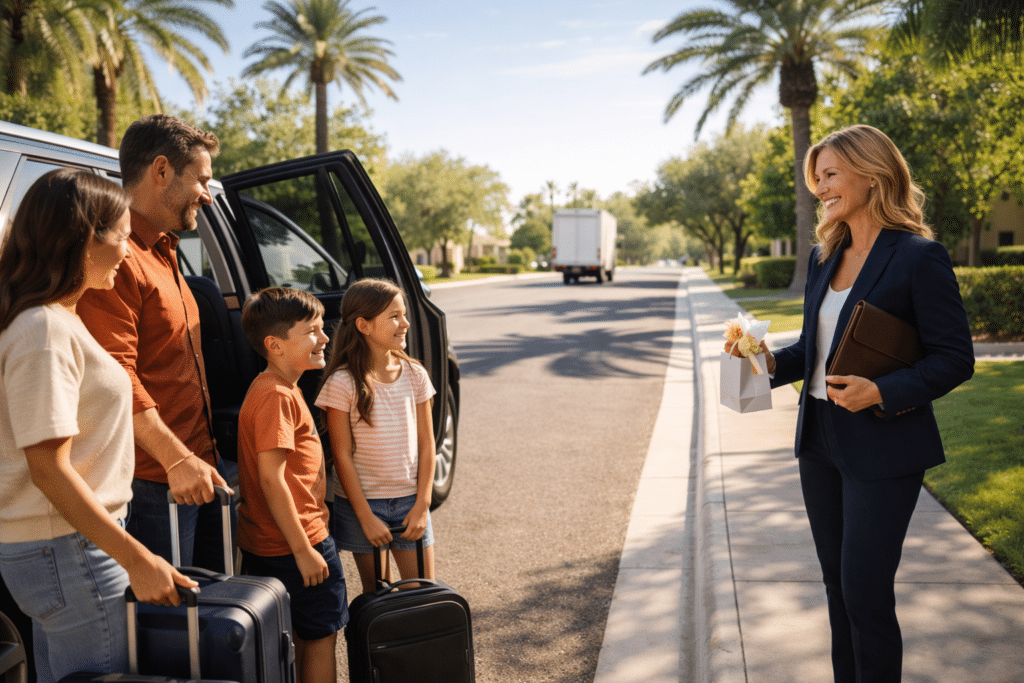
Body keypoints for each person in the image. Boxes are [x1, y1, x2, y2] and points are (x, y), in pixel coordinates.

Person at [740, 124, 974, 683]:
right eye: (815, 179)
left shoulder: (919, 256)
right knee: (836, 587)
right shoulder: (828, 256)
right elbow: (812, 350)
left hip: (885, 444)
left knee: (865, 593)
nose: (819, 188)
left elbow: (954, 357)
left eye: (829, 175)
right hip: (819, 438)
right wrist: (764, 362)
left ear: (870, 174)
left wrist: (883, 391)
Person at [0, 169, 197, 683]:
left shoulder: (55, 318)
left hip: (68, 545)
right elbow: (48, 469)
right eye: (122, 236)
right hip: (69, 549)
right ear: (86, 238)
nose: (128, 251)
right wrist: (138, 559)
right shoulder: (42, 329)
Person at [78, 115, 233, 572]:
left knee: (212, 618)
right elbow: (114, 374)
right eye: (202, 180)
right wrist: (176, 459)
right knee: (168, 631)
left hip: (198, 467)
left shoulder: (165, 250)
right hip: (155, 482)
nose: (207, 193)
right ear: (161, 171)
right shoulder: (115, 259)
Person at [236, 287, 347, 683]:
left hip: (279, 541)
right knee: (319, 639)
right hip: (296, 543)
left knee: (299, 639)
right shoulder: (276, 395)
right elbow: (272, 477)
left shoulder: (279, 389)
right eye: (312, 331)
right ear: (275, 345)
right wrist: (304, 550)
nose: (325, 338)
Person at [315, 278, 437, 594]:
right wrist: (365, 517)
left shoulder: (415, 375)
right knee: (379, 599)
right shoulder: (342, 383)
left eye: (404, 314)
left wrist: (422, 504)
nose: (405, 323)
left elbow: (427, 444)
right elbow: (341, 455)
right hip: (361, 507)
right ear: (364, 325)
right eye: (394, 316)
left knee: (422, 594)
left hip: (410, 501)